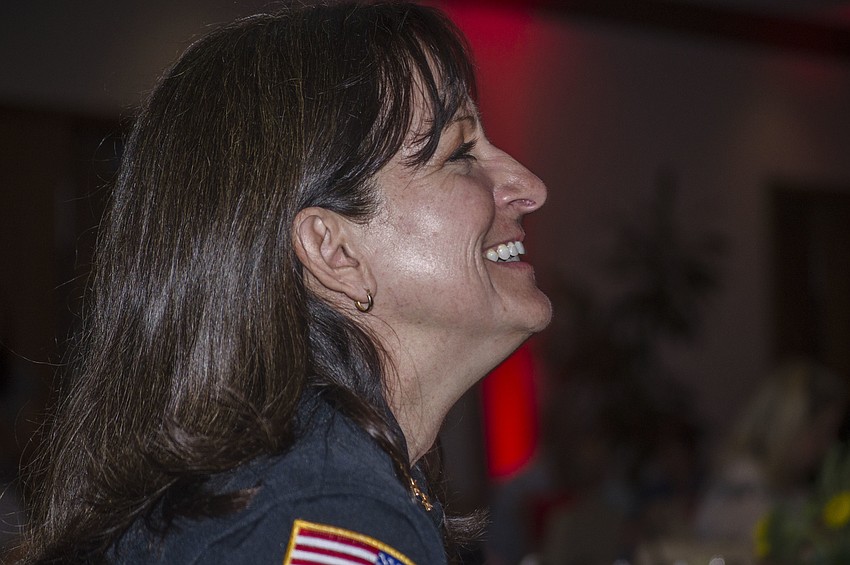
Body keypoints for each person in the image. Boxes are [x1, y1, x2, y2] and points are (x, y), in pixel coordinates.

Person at [17, 2, 551, 563]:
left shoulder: (289, 490)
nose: (529, 186)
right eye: (461, 152)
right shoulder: (323, 512)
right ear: (333, 250)